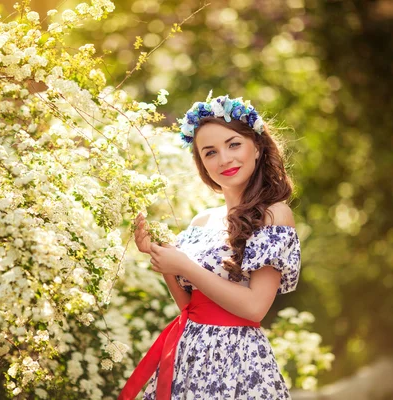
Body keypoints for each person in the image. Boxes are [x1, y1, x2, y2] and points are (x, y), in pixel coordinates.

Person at [118, 92, 301, 400]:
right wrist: (161, 258)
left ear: (256, 146)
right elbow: (190, 306)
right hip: (189, 355)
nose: (225, 159)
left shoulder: (274, 214)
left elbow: (255, 308)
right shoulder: (201, 221)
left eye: (233, 144)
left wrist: (185, 266)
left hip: (237, 361)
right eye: (210, 152)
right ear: (202, 162)